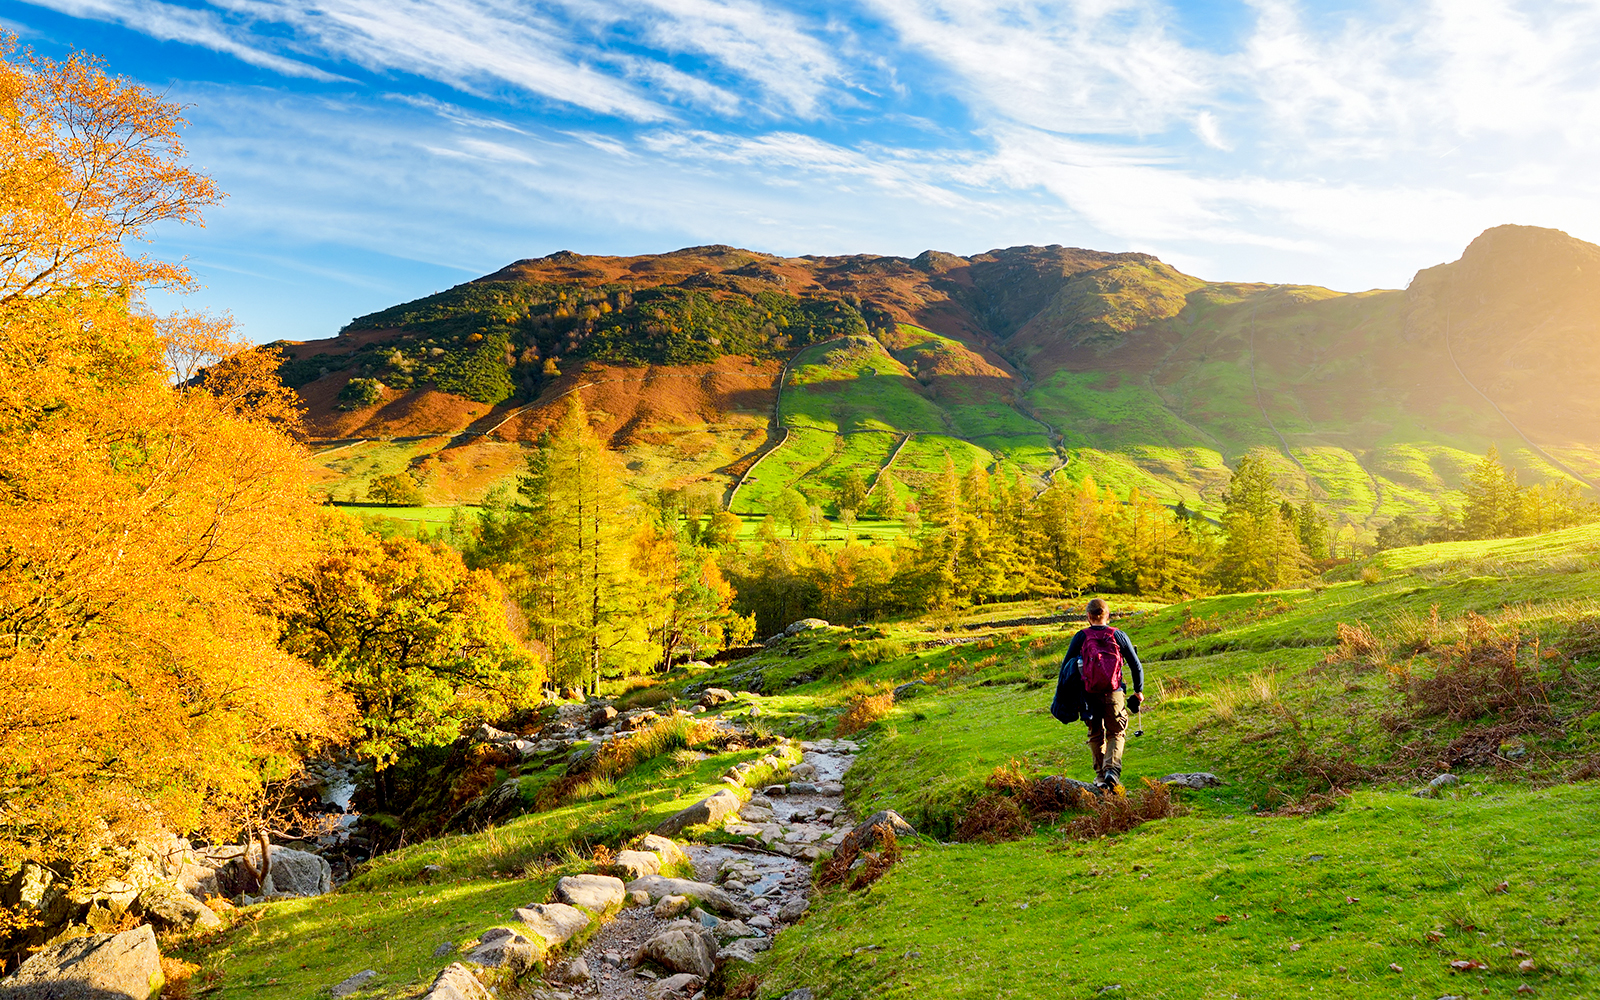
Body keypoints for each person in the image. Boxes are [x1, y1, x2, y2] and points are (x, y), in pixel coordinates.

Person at [1061, 597, 1143, 790]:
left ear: (1088, 616)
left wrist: (1067, 695)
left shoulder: (1081, 637)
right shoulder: (1118, 635)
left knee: (1095, 734)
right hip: (1114, 693)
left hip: (1089, 694)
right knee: (1116, 732)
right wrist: (1138, 691)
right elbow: (1136, 665)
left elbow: (1066, 667)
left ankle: (1100, 777)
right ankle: (1111, 771)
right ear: (1108, 615)